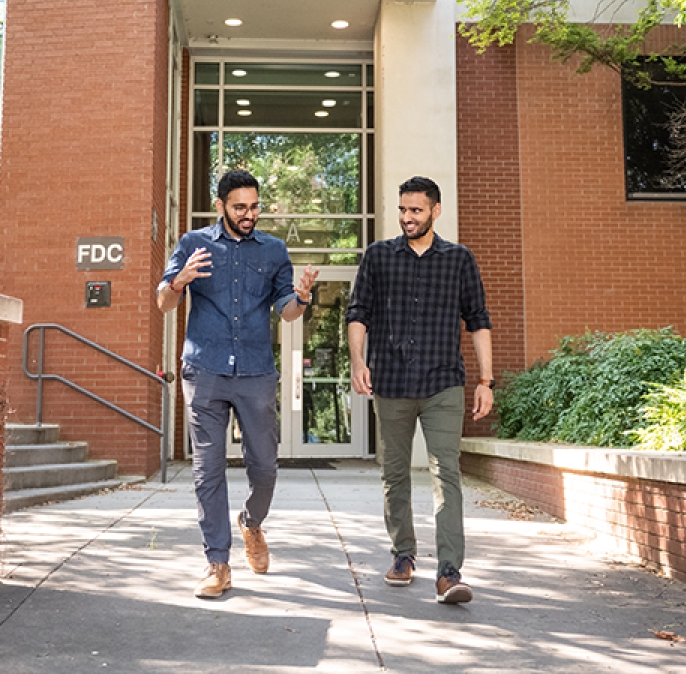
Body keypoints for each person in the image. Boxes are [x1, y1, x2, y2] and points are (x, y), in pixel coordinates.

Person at [157, 169, 318, 598]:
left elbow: (285, 311)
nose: (250, 215)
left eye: (255, 206)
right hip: (205, 370)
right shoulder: (194, 244)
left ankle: (251, 523)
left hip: (255, 371)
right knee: (207, 469)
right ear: (221, 205)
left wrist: (300, 298)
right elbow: (163, 301)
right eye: (240, 207)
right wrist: (180, 280)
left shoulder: (273, 250)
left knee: (264, 467)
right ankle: (217, 562)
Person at [346, 176, 493, 604]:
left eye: (416, 210)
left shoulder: (459, 259)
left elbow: (478, 320)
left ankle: (450, 571)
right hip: (390, 382)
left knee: (446, 474)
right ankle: (403, 556)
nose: (408, 217)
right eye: (403, 209)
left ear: (435, 211)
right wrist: (358, 360)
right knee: (394, 475)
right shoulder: (378, 256)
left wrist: (486, 381)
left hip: (442, 382)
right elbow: (358, 313)